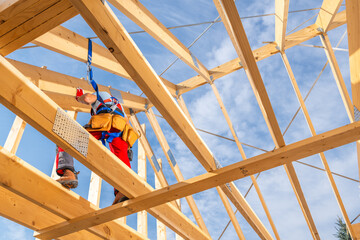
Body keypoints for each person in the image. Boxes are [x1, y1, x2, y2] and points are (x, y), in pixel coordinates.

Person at [55, 88, 133, 204]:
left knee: (67, 139)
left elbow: (87, 98)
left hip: (103, 125)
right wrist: (128, 148)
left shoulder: (100, 96)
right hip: (119, 131)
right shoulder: (119, 106)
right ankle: (123, 190)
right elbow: (127, 125)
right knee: (121, 160)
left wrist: (80, 97)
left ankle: (69, 172)